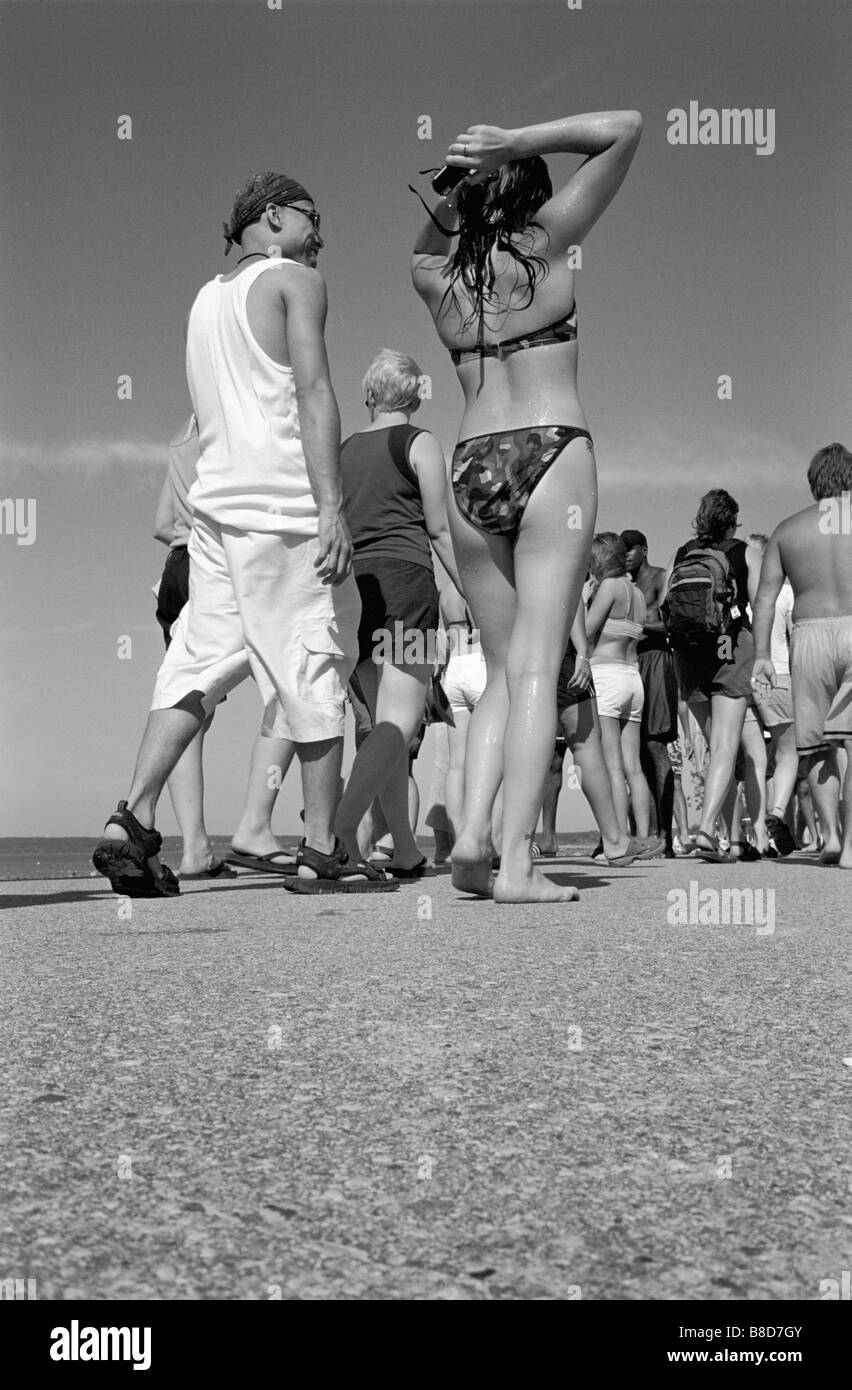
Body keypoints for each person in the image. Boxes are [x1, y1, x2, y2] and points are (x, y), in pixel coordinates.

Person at [93, 171, 388, 896]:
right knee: (315, 659)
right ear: (275, 215)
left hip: (214, 518)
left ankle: (129, 820)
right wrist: (329, 507)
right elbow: (314, 391)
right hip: (282, 508)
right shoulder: (294, 281)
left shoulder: (206, 298)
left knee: (196, 666)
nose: (321, 235)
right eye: (313, 217)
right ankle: (322, 850)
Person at [411, 109, 643, 901]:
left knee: (504, 669)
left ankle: (472, 839)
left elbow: (424, 242)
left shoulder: (435, 278)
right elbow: (626, 129)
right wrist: (514, 143)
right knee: (542, 667)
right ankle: (517, 865)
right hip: (550, 450)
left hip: (469, 460)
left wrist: (455, 179)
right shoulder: (546, 242)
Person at [332, 349, 463, 877]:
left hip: (353, 586)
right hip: (407, 584)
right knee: (401, 722)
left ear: (368, 395)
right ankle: (339, 830)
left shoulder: (340, 451)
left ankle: (405, 849)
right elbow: (439, 527)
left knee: (376, 729)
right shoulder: (420, 442)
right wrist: (469, 590)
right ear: (416, 396)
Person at [752, 443, 852, 868]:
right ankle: (851, 848)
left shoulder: (788, 528)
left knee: (813, 747)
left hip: (808, 636)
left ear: (815, 483)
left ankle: (829, 836)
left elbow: (765, 598)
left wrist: (761, 655)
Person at [152, 415, 235, 880]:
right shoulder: (228, 422)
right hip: (215, 565)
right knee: (288, 681)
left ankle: (195, 846)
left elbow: (161, 524)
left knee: (188, 706)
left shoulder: (179, 438)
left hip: (177, 568)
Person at [664, 489, 763, 862]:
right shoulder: (743, 552)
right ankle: (707, 831)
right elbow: (758, 603)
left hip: (690, 654)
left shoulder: (684, 553)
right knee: (725, 746)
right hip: (725, 645)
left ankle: (734, 840)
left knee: (715, 749)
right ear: (733, 519)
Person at [544, 599, 663, 864]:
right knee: (599, 751)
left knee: (519, 748)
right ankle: (619, 838)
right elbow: (572, 603)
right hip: (624, 672)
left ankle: (491, 841)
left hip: (507, 654)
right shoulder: (633, 592)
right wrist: (583, 654)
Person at [585, 534, 654, 838]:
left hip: (607, 674)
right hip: (632, 677)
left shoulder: (610, 587)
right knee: (633, 767)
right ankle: (643, 836)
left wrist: (583, 598)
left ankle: (619, 838)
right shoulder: (636, 593)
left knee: (612, 766)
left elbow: (585, 632)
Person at [621, 530, 680, 855]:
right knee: (634, 752)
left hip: (657, 662)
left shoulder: (659, 578)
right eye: (623, 549)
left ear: (644, 549)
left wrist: (634, 626)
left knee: (656, 747)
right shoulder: (622, 587)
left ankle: (666, 837)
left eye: (631, 549)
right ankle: (642, 835)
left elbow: (671, 625)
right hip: (629, 663)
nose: (626, 554)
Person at [744, 532, 797, 856]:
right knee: (788, 752)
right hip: (777, 674)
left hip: (742, 679)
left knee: (754, 761)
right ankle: (777, 812)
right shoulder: (785, 593)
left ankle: (757, 835)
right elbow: (796, 639)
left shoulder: (736, 593)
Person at [438, 579, 487, 842]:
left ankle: (459, 838)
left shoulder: (445, 590)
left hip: (454, 670)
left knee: (456, 764)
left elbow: (441, 640)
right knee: (492, 758)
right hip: (480, 661)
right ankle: (488, 837)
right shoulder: (475, 578)